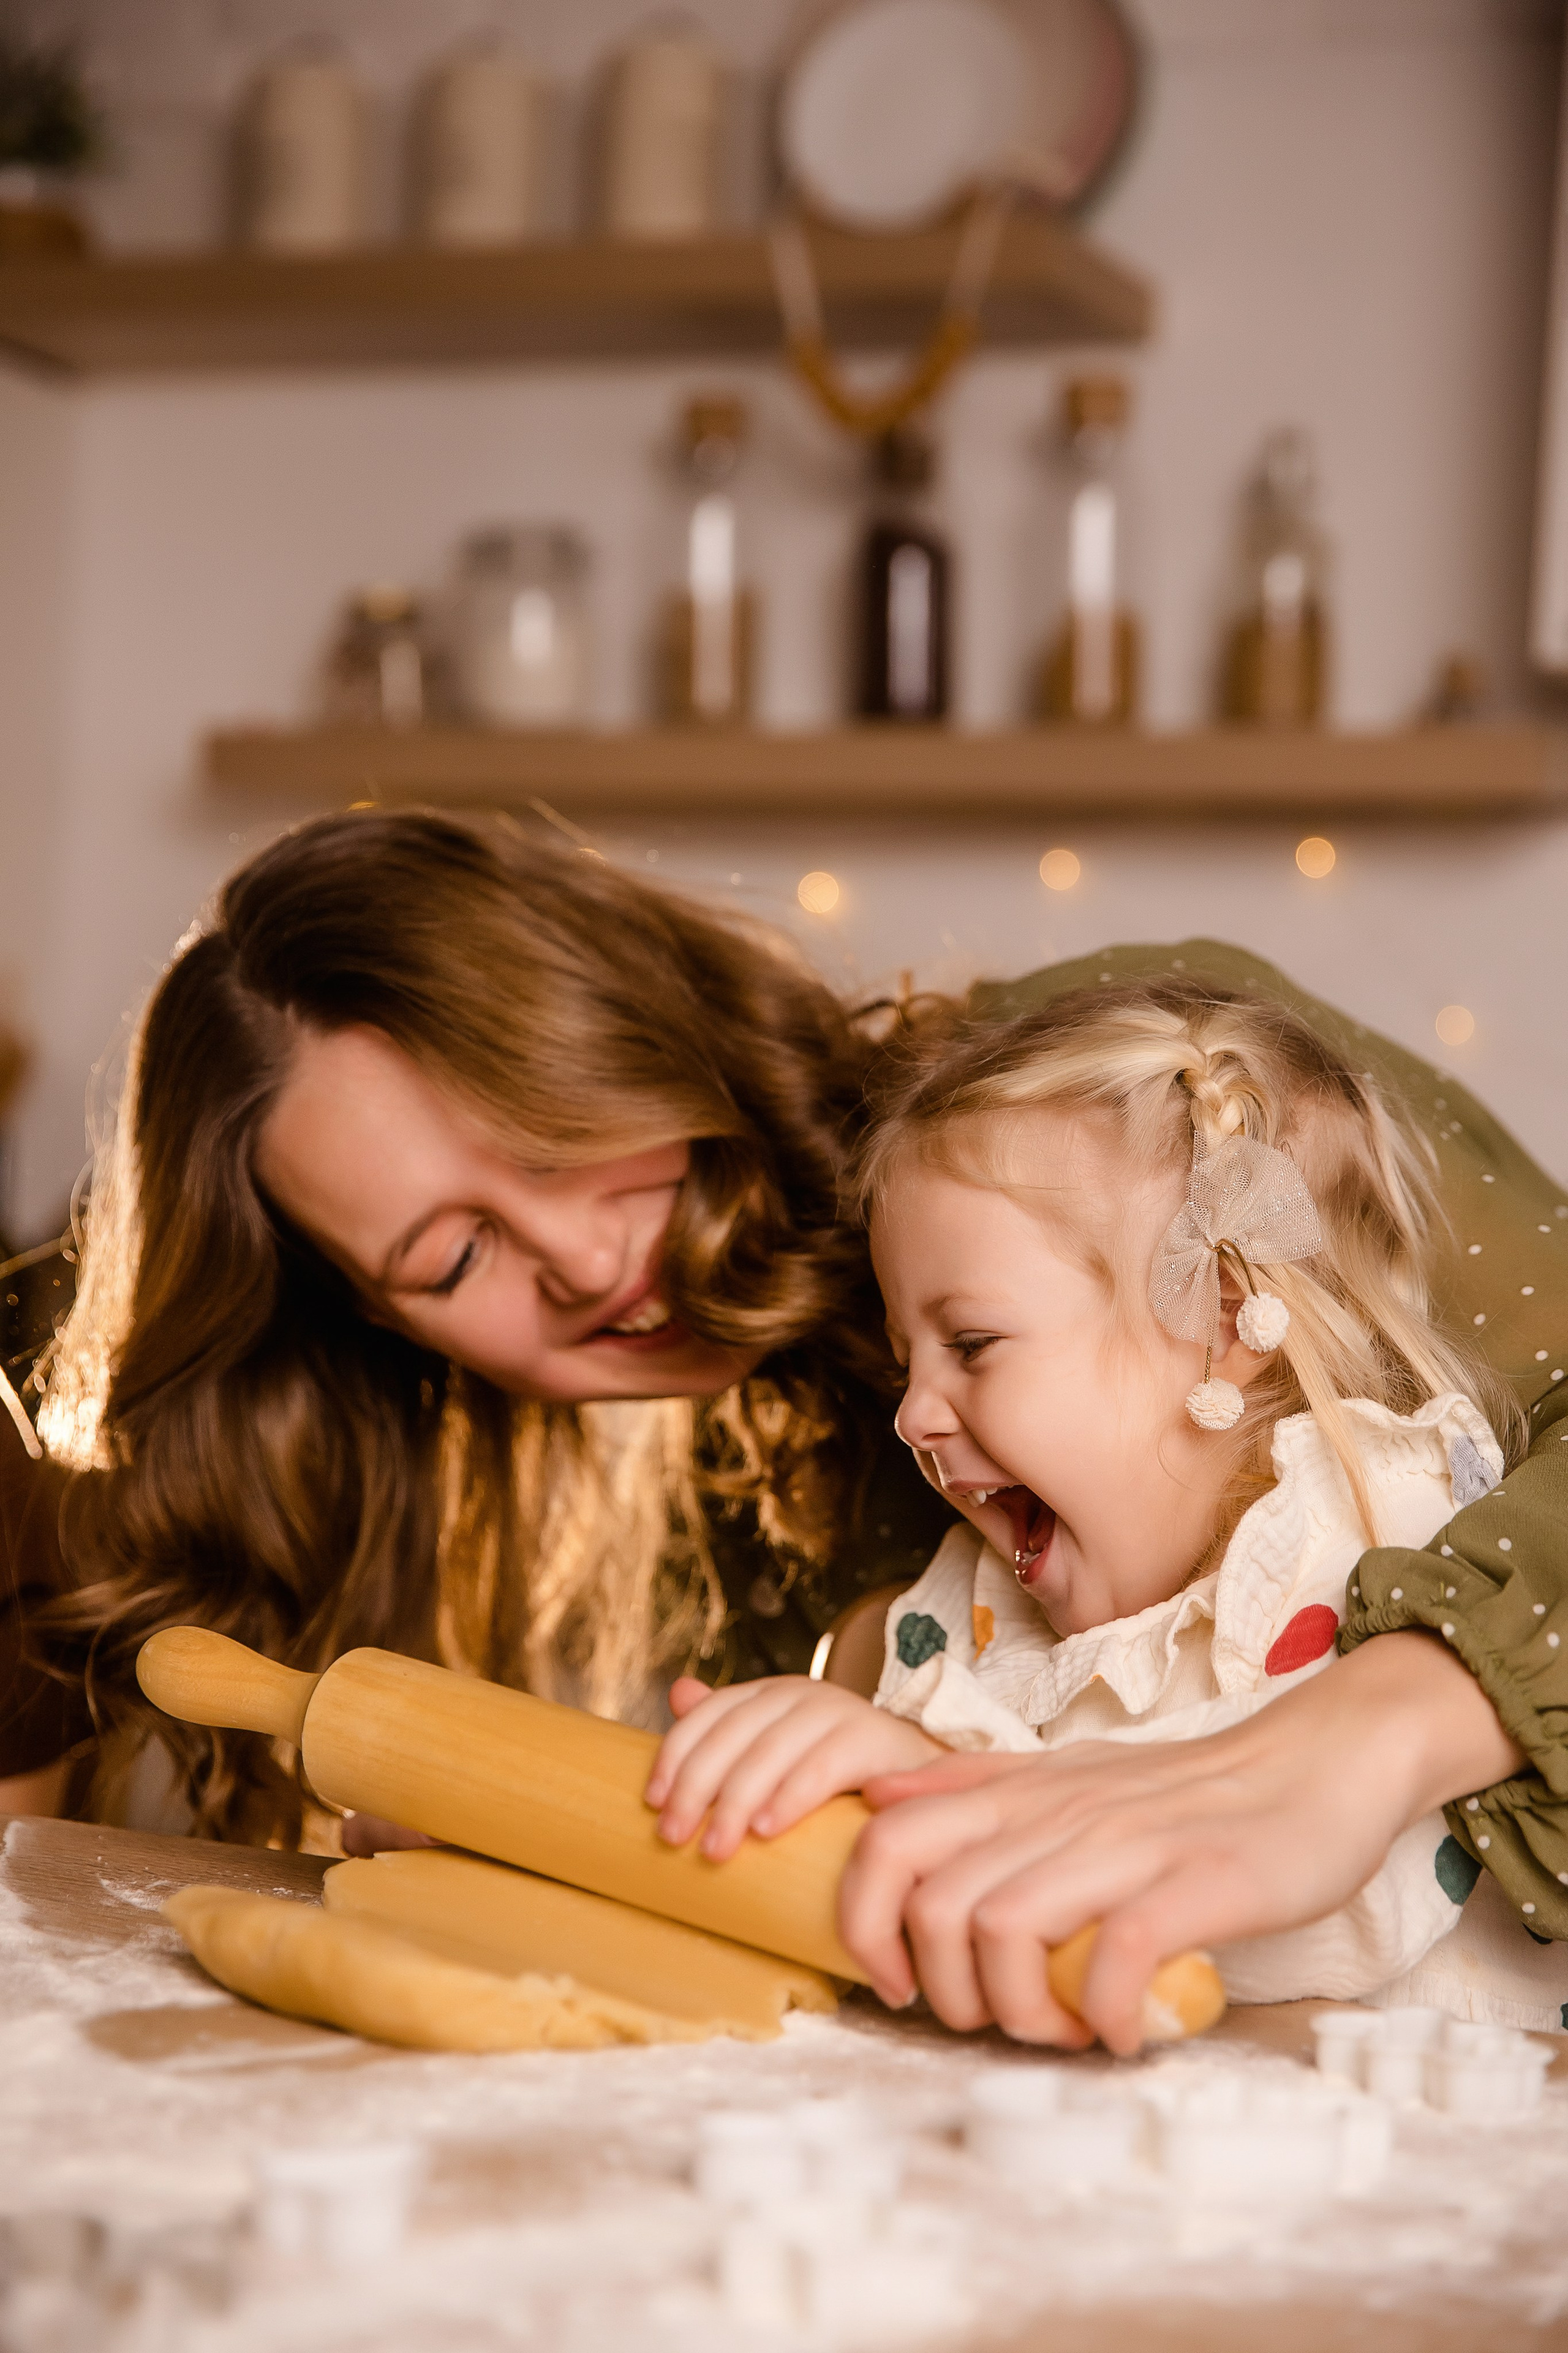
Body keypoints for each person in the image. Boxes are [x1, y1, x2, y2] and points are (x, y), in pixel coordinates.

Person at [0, 811, 1562, 2041]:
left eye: (561, 1127)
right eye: (453, 1257)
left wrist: (1369, 1734)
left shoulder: (1101, 1125)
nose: (583, 1260)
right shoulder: (735, 1501)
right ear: (379, 1329)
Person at [647, 975, 1555, 2042]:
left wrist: (939, 1792)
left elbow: (1336, 1912)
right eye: (906, 1361)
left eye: (971, 1344)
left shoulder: (1369, 1530)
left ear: (1221, 1323)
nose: (913, 1415)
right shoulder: (976, 1603)